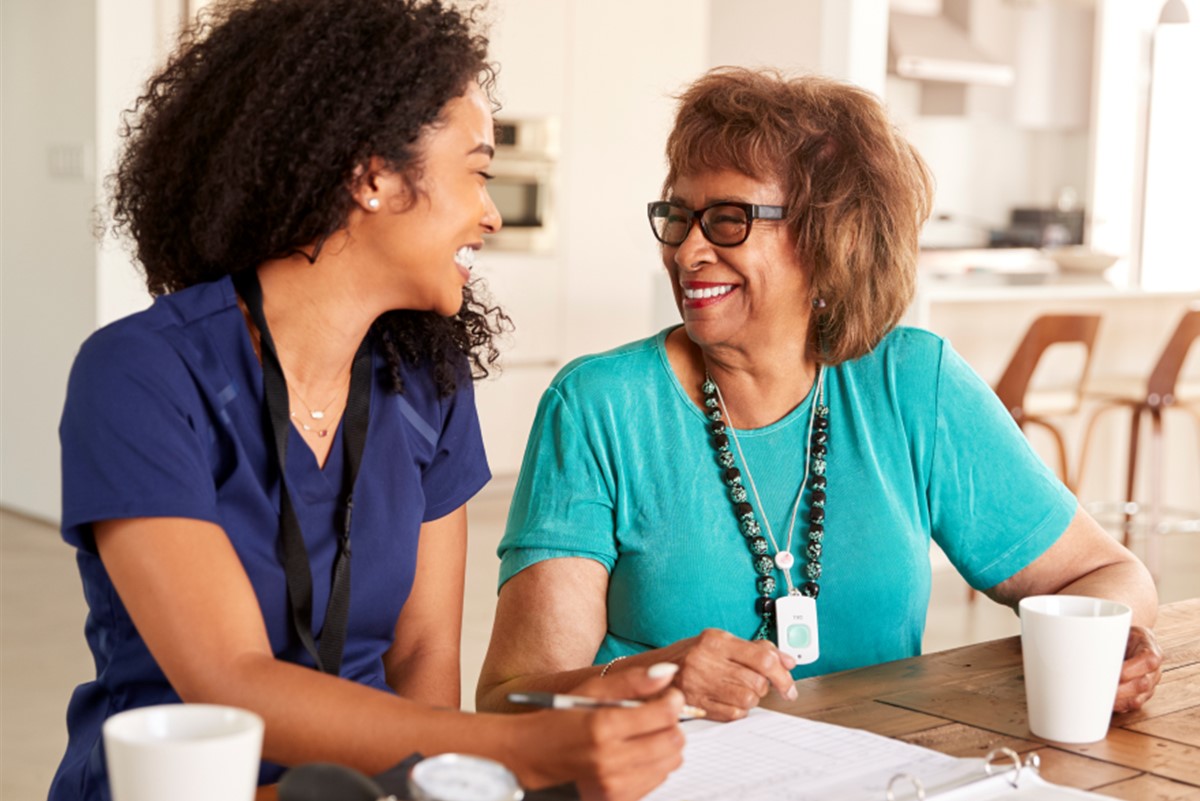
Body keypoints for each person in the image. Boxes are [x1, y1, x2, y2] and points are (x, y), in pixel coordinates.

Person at [50, 2, 684, 800]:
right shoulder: (139, 374)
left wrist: (437, 784)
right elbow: (232, 681)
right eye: (477, 171)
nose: (488, 212)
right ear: (373, 174)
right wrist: (518, 747)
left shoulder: (429, 379)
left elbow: (422, 654)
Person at [476, 67, 1164, 723]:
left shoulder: (911, 384)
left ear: (829, 236)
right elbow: (512, 697)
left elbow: (1108, 573)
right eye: (679, 217)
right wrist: (651, 679)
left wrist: (1107, 650)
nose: (687, 252)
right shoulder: (599, 407)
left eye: (728, 220)